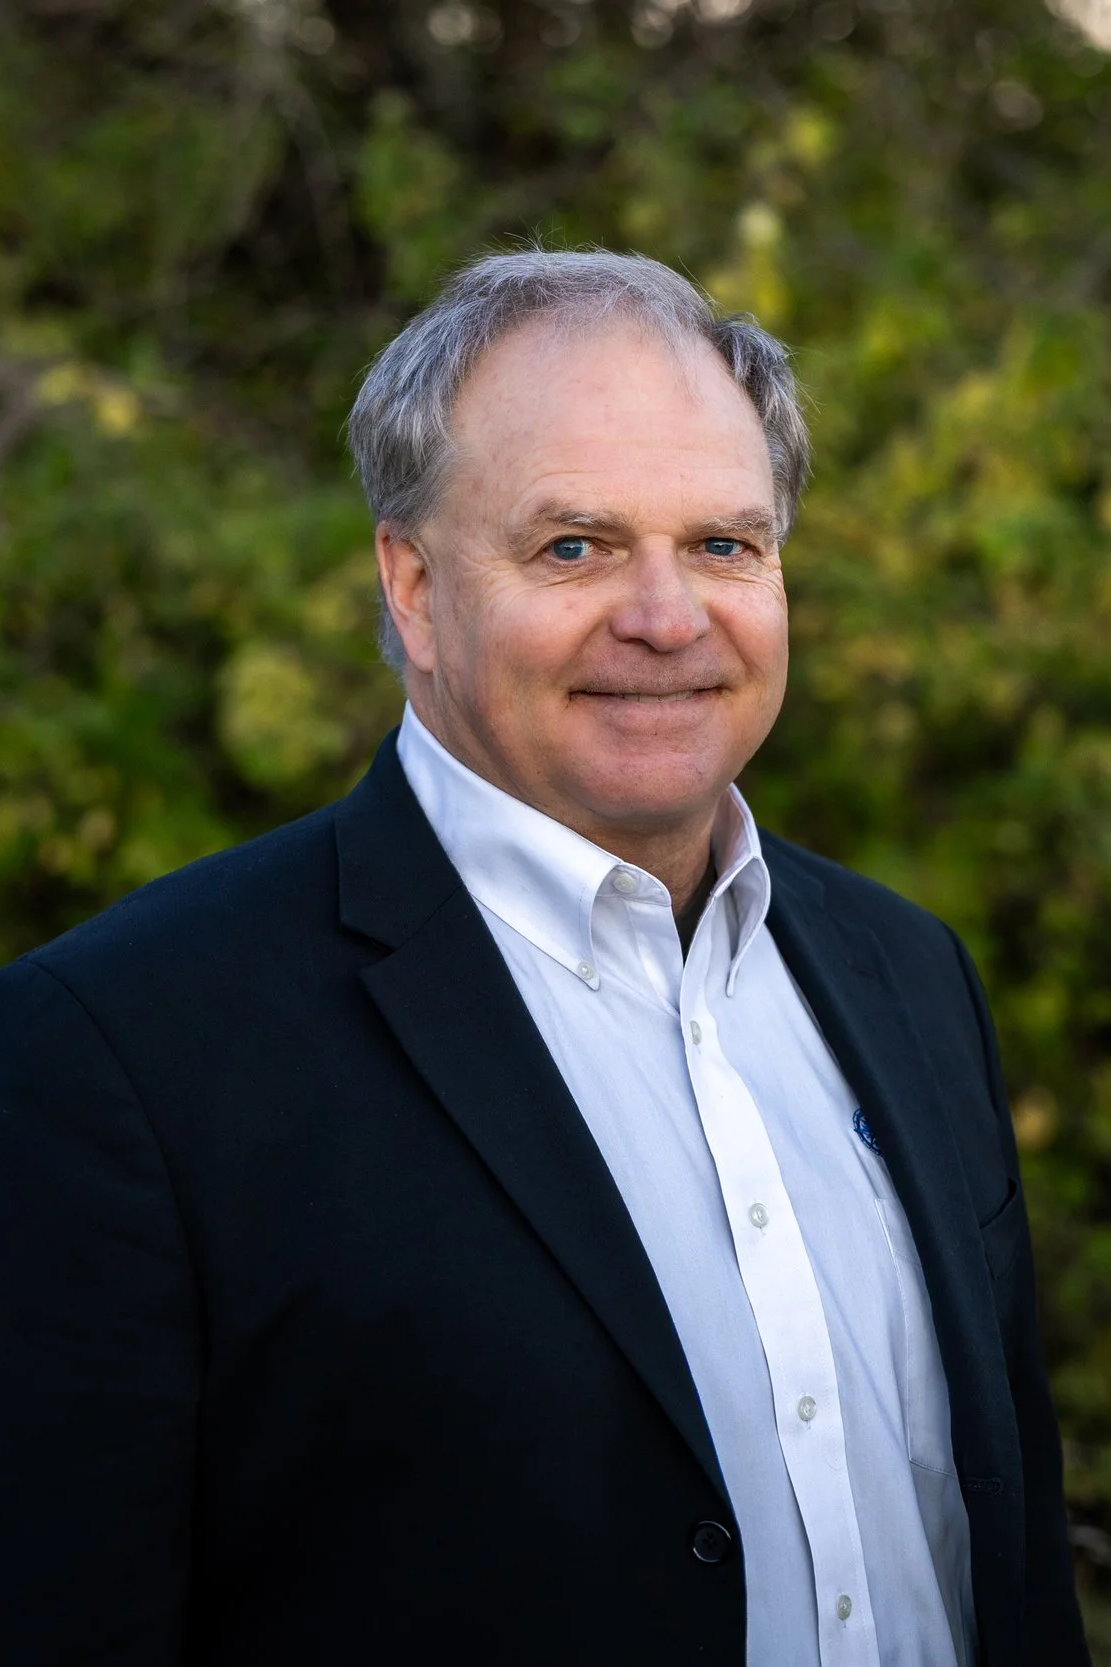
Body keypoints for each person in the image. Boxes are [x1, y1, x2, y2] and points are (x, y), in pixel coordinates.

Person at [0, 250, 1088, 1667]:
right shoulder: (119, 1052)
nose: (665, 615)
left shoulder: (906, 973)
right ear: (414, 587)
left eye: (722, 544)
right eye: (572, 546)